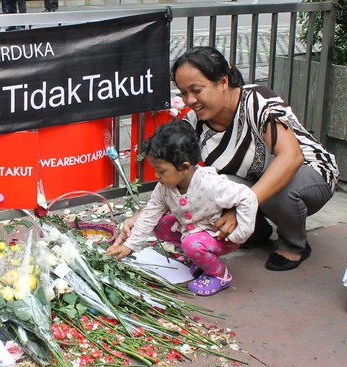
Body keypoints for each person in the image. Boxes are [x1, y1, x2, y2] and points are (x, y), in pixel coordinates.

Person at [116, 46, 339, 272]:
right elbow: (178, 176)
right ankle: (256, 231)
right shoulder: (194, 121)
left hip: (310, 172)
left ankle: (294, 245)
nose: (189, 100)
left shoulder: (256, 101)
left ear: (222, 82)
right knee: (212, 184)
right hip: (253, 184)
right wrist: (140, 218)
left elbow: (291, 157)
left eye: (196, 90)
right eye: (183, 93)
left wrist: (237, 209)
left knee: (278, 190)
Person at [106, 120, 258, 296]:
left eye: (161, 171)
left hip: (221, 236)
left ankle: (220, 274)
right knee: (160, 224)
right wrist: (130, 246)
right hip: (194, 232)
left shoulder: (210, 184)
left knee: (190, 244)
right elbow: (150, 215)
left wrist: (240, 235)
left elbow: (248, 197)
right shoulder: (164, 188)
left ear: (185, 167)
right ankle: (199, 257)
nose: (156, 176)